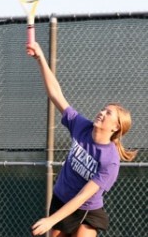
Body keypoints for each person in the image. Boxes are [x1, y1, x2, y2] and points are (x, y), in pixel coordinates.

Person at [26, 42, 137, 237]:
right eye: (103, 109)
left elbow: (84, 196)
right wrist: (40, 58)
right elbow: (56, 94)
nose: (101, 112)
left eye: (108, 113)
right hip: (61, 198)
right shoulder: (81, 126)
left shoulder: (110, 161)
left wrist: (51, 220)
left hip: (86, 209)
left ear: (116, 127)